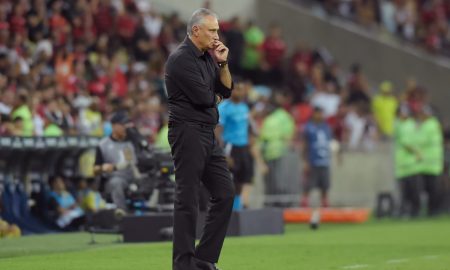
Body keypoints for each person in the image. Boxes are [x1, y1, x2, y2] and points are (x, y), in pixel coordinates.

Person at [165, 8, 234, 270]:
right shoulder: (180, 59)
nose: (217, 36)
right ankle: (183, 265)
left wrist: (223, 63)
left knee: (225, 194)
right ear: (196, 31)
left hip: (206, 132)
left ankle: (204, 259)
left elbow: (225, 90)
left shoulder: (209, 57)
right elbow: (205, 98)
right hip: (187, 131)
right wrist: (214, 97)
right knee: (188, 198)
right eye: (212, 30)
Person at [216, 81, 254, 210]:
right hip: (230, 147)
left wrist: (250, 144)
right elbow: (218, 130)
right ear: (231, 91)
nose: (240, 92)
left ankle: (237, 208)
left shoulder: (244, 107)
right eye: (237, 89)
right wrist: (223, 152)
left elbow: (247, 127)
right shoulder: (224, 108)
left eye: (242, 89)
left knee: (242, 179)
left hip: (243, 147)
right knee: (229, 180)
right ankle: (225, 208)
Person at [94, 111, 139, 212]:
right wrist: (107, 167)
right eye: (122, 125)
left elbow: (134, 164)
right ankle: (122, 212)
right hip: (113, 179)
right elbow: (95, 169)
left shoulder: (129, 142)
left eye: (126, 124)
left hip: (130, 177)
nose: (125, 127)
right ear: (114, 126)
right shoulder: (103, 144)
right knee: (116, 182)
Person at [301, 107, 333, 208]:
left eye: (321, 113)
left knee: (325, 184)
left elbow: (330, 142)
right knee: (309, 184)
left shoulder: (326, 127)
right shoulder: (308, 127)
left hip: (324, 160)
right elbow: (305, 145)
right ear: (314, 114)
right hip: (312, 160)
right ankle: (305, 201)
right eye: (318, 113)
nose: (320, 116)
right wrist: (305, 161)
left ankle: (325, 202)